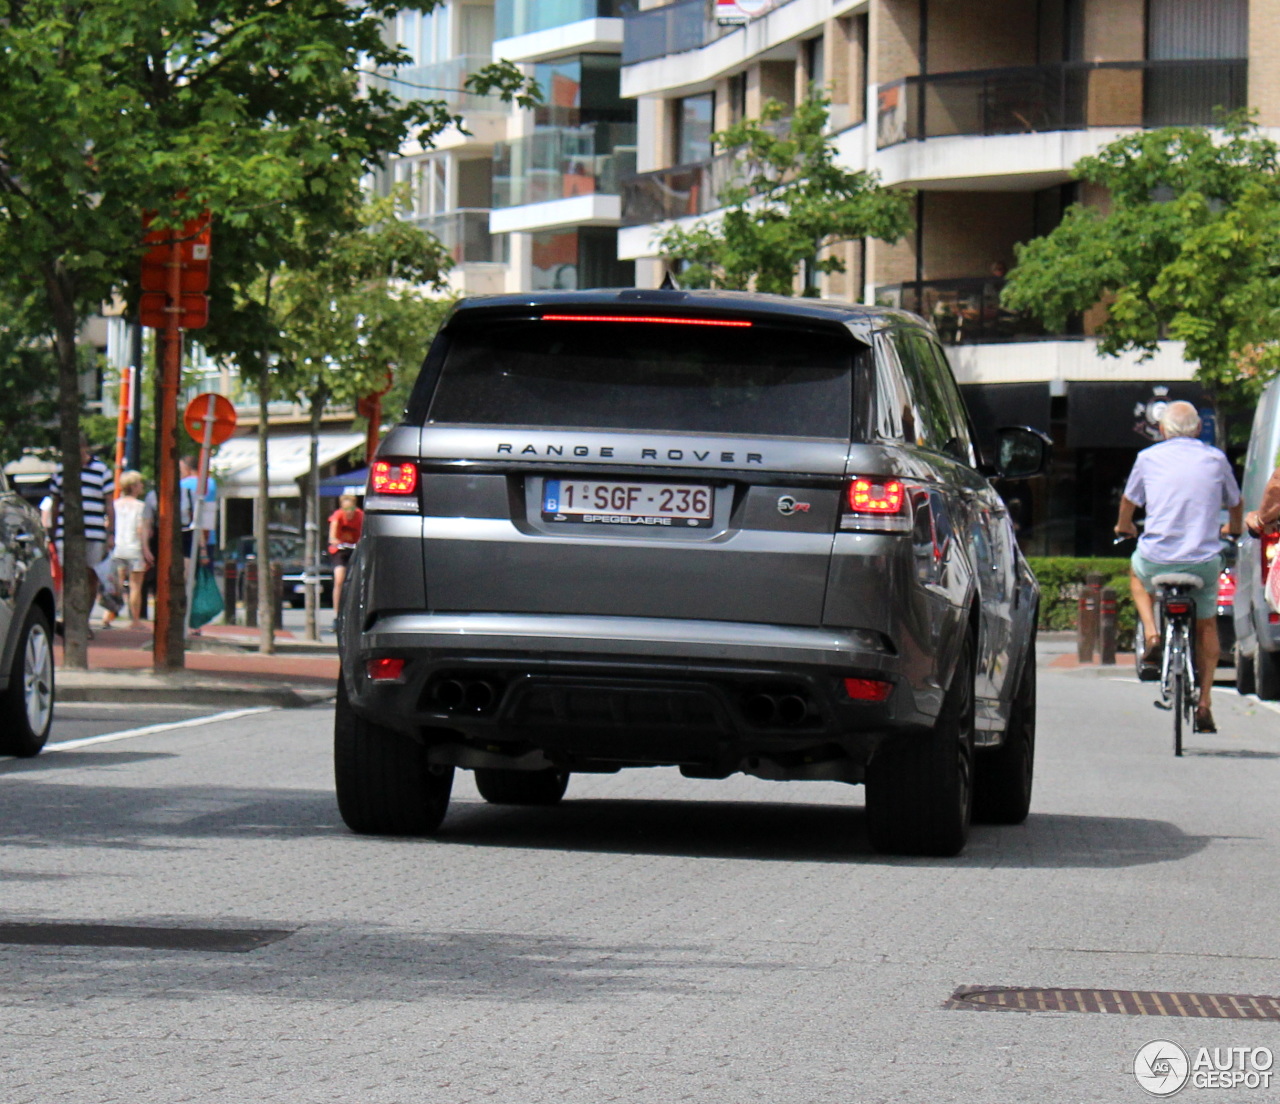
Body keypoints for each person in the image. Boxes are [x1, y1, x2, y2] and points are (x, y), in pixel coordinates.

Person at [1114, 401, 1242, 733]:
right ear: (1199, 429)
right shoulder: (1215, 458)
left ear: (1163, 430)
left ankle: (1153, 635)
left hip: (1157, 558)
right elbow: (1235, 502)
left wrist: (1124, 526)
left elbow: (1129, 501)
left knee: (1137, 575)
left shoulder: (1148, 458)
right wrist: (1236, 528)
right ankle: (1205, 703)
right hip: (1202, 561)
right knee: (1207, 626)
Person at [48, 435, 115, 627]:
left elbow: (109, 503)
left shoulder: (101, 470)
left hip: (94, 532)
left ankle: (83, 620)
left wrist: (110, 533)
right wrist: (53, 531)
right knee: (69, 575)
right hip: (65, 532)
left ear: (84, 448)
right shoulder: (60, 471)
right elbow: (55, 504)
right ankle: (71, 619)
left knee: (91, 576)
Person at [110, 471, 152, 627]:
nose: (142, 486)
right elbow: (142, 530)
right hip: (134, 548)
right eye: (140, 483)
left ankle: (110, 613)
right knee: (135, 586)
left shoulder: (115, 504)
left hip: (118, 547)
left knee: (118, 584)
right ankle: (135, 619)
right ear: (133, 486)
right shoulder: (141, 507)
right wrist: (146, 550)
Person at [328, 494, 364, 618]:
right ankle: (337, 613)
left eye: (351, 509)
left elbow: (364, 533)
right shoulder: (337, 516)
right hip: (341, 550)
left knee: (358, 579)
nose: (349, 513)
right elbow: (332, 536)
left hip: (355, 549)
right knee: (339, 580)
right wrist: (336, 541)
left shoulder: (360, 516)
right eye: (346, 510)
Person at [179, 455, 218, 567]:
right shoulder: (211, 483)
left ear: (187, 468)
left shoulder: (182, 485)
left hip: (188, 536)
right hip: (209, 535)